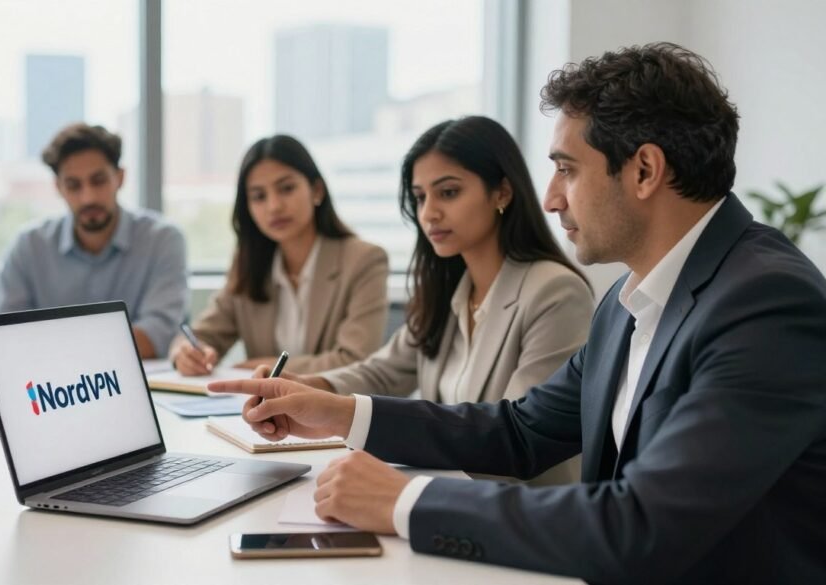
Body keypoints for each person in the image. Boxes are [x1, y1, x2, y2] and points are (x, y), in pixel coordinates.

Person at [210, 43, 826, 583]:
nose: (552, 196)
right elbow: (519, 430)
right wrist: (338, 412)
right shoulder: (628, 299)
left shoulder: (765, 305)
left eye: (566, 169)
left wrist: (407, 501)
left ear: (643, 170)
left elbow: (642, 525)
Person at [291, 116, 593, 484]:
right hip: (448, 495)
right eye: (420, 197)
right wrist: (304, 386)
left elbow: (514, 436)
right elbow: (381, 373)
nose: (429, 213)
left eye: (448, 192)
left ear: (502, 192)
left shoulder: (554, 292)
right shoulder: (446, 292)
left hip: (518, 512)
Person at [169, 135, 388, 374]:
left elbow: (356, 360)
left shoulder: (364, 260)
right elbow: (201, 335)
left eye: (286, 189)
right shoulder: (249, 262)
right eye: (259, 196)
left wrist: (268, 367)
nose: (274, 206)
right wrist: (186, 353)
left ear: (316, 191)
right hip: (263, 411)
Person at [0, 123, 188, 358]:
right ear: (58, 188)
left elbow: (158, 335)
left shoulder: (163, 239)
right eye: (73, 185)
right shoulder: (30, 245)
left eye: (99, 180)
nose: (88, 197)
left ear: (120, 178)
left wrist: (50, 346)